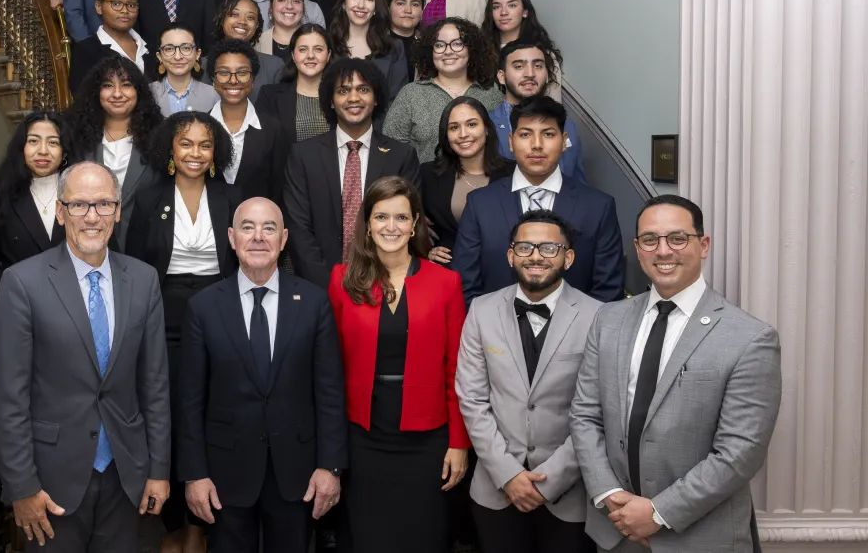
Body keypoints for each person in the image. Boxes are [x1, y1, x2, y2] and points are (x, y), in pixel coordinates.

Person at [570, 196, 782, 551]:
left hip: (700, 537)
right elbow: (585, 414)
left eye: (677, 238)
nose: (663, 251)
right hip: (614, 529)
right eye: (650, 240)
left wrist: (657, 512)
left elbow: (740, 452)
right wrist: (610, 495)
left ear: (704, 245)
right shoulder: (608, 320)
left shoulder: (750, 338)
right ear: (638, 249)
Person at [0, 161, 171, 552]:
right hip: (50, 482)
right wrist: (21, 485)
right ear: (60, 211)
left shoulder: (144, 280)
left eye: (104, 204)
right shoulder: (21, 282)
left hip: (127, 477)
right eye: (79, 205)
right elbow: (8, 398)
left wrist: (158, 470)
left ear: (118, 211)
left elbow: (154, 385)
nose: (92, 217)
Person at [178, 197, 348, 553]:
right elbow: (190, 400)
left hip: (298, 474)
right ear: (231, 237)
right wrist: (194, 474)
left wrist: (330, 468)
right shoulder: (203, 307)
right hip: (224, 476)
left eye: (269, 228)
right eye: (248, 227)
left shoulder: (315, 303)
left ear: (284, 239)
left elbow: (330, 392)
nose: (258, 237)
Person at [328, 176, 470, 553]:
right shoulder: (343, 280)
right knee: (365, 536)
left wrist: (459, 442)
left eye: (401, 218)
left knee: (423, 535)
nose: (391, 226)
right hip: (361, 434)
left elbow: (457, 369)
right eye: (381, 217)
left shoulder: (446, 283)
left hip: (427, 438)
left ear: (415, 224)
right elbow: (330, 370)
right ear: (368, 225)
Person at [456, 209, 602, 553]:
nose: (535, 256)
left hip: (570, 495)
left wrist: (549, 483)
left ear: (568, 258)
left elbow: (598, 411)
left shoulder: (599, 316)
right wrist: (508, 475)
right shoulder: (481, 310)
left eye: (549, 248)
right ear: (510, 255)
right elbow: (473, 400)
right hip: (496, 489)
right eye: (524, 247)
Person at [125, 112, 239, 548]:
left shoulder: (233, 196)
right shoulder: (150, 197)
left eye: (204, 145)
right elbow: (134, 266)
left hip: (220, 312)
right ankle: (173, 527)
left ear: (216, 152)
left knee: (214, 414)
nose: (195, 153)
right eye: (186, 144)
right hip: (163, 316)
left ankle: (204, 527)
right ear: (170, 151)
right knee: (171, 418)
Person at [451, 95, 624, 305]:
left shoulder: (598, 206)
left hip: (577, 335)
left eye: (548, 134)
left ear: (563, 141)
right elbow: (465, 285)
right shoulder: (480, 204)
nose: (537, 145)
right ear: (511, 142)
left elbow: (608, 289)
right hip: (495, 334)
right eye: (525, 134)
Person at [283, 58, 421, 288]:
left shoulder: (401, 156)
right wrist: (330, 285)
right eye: (343, 90)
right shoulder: (303, 156)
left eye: (363, 89)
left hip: (385, 286)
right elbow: (298, 228)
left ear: (376, 99)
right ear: (331, 101)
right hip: (318, 288)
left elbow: (406, 224)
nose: (354, 98)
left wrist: (379, 282)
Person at [66, 56, 165, 252]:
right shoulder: (76, 139)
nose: (117, 93)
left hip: (144, 250)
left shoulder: (160, 139)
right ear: (97, 92)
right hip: (86, 246)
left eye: (126, 84)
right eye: (108, 85)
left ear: (138, 91)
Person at [0, 112, 71, 300]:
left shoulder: (83, 197)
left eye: (53, 142)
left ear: (65, 151)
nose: (43, 150)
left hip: (79, 308)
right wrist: (21, 302)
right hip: (20, 310)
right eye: (34, 141)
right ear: (21, 149)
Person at [383, 17, 503, 163]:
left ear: (472, 49)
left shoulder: (491, 95)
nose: (448, 51)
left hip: (485, 183)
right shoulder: (411, 94)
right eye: (439, 45)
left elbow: (502, 146)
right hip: (423, 183)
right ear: (430, 52)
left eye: (458, 43)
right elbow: (390, 149)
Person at [419, 97, 514, 267]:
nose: (463, 134)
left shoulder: (513, 173)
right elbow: (410, 224)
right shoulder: (428, 174)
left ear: (486, 128)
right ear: (446, 135)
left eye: (472, 124)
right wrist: (425, 251)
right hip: (448, 275)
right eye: (454, 127)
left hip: (501, 273)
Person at [491, 39, 586, 180]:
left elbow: (579, 185)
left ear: (547, 76)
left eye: (537, 66)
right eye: (518, 66)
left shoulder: (568, 126)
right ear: (502, 77)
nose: (530, 73)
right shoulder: (486, 124)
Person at [208, 38, 287, 203]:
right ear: (212, 80)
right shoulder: (199, 127)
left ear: (253, 79)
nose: (233, 80)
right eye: (223, 72)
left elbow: (279, 189)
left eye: (242, 72)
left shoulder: (273, 129)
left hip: (258, 225)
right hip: (209, 225)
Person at [67, 0, 150, 91]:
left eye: (131, 5)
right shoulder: (86, 51)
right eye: (116, 3)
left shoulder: (147, 48)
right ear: (99, 7)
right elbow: (82, 102)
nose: (125, 10)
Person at [328, 0, 409, 105]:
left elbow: (397, 103)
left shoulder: (394, 48)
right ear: (343, 3)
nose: (361, 5)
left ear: (376, 8)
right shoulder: (327, 45)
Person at [482, 0, 565, 101]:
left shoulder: (543, 54)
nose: (503, 12)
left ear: (525, 12)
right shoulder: (482, 52)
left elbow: (554, 104)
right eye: (496, 7)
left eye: (512, 5)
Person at [256, 24, 333, 147]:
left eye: (318, 49)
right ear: (293, 55)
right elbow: (262, 147)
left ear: (328, 55)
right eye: (303, 49)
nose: (310, 55)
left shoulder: (341, 96)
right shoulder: (269, 96)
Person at [205, 0, 284, 92]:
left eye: (250, 17)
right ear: (222, 20)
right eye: (234, 14)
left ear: (256, 25)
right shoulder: (202, 65)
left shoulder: (274, 66)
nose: (242, 21)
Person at [149, 24, 218, 116]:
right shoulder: (146, 93)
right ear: (159, 56)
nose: (178, 57)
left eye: (186, 48)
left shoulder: (214, 95)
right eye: (169, 49)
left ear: (197, 54)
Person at [386, 0, 425, 82]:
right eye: (401, 3)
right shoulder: (375, 41)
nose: (408, 10)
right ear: (388, 7)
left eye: (415, 4)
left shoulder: (428, 44)